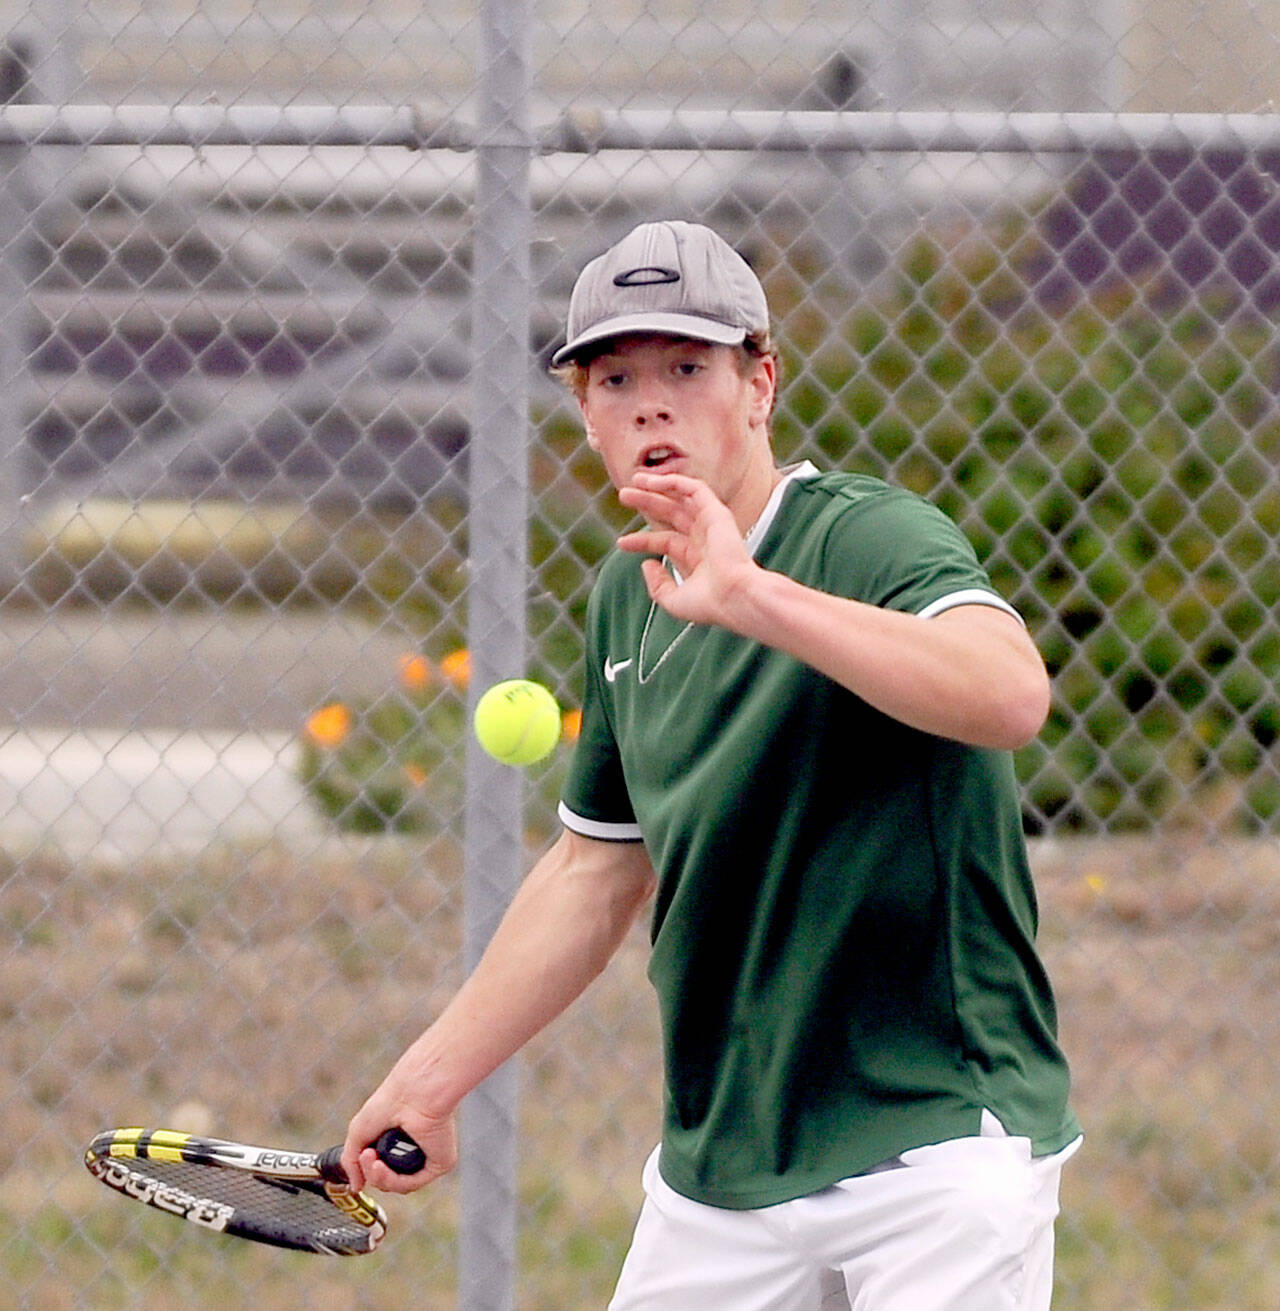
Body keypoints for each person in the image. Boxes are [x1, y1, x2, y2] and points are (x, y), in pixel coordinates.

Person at [341, 219, 1081, 1310]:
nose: (649, 401)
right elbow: (594, 874)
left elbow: (1009, 695)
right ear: (586, 415)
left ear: (758, 385)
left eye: (687, 368)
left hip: (934, 1139)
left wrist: (750, 597)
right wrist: (430, 1079)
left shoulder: (865, 537)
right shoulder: (621, 600)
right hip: (724, 1167)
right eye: (613, 377)